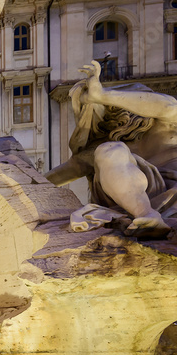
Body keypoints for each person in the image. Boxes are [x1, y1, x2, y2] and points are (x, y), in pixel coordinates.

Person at [47, 60, 177, 237]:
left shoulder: (166, 125)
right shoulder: (108, 149)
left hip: (172, 195)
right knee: (109, 150)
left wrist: (102, 95)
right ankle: (147, 217)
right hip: (133, 205)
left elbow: (168, 106)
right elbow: (48, 180)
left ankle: (148, 218)